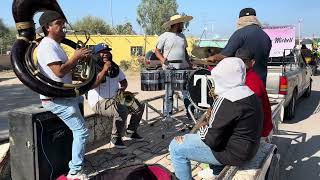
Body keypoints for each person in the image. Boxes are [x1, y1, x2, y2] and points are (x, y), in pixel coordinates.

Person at [169, 58, 263, 180]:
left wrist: (202, 127)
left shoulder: (227, 99)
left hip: (233, 154)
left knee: (176, 146)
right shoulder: (250, 94)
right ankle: (217, 172)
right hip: (249, 149)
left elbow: (211, 140)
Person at [36, 10, 91, 179]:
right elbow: (59, 72)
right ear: (48, 27)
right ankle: (74, 171)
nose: (63, 26)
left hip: (63, 96)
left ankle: (76, 163)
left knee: (79, 130)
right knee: (82, 132)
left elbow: (65, 70)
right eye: (58, 23)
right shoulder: (46, 46)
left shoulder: (55, 45)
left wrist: (80, 62)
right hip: (55, 99)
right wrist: (75, 57)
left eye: (62, 22)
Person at [88, 43, 145, 149]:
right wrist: (104, 70)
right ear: (96, 54)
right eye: (102, 52)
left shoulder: (114, 67)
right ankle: (115, 138)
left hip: (115, 98)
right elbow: (93, 85)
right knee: (121, 108)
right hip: (99, 102)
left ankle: (131, 132)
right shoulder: (92, 67)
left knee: (139, 105)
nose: (105, 54)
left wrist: (122, 89)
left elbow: (124, 82)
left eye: (107, 52)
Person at [206, 8, 272, 86]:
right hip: (260, 83)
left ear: (240, 20)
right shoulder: (266, 36)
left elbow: (224, 55)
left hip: (245, 84)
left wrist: (212, 58)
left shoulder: (240, 33)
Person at [155, 14, 194, 121]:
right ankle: (168, 115)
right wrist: (163, 61)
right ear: (176, 24)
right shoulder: (164, 35)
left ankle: (190, 113)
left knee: (186, 92)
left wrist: (189, 64)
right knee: (169, 93)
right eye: (181, 23)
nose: (183, 25)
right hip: (169, 69)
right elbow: (157, 51)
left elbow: (185, 52)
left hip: (182, 68)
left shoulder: (182, 36)